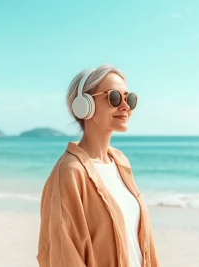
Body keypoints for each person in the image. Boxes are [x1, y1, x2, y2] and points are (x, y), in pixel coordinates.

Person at [36, 64, 159, 267]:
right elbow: (62, 253)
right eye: (114, 98)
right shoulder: (70, 172)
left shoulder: (120, 162)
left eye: (129, 99)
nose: (125, 106)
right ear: (85, 105)